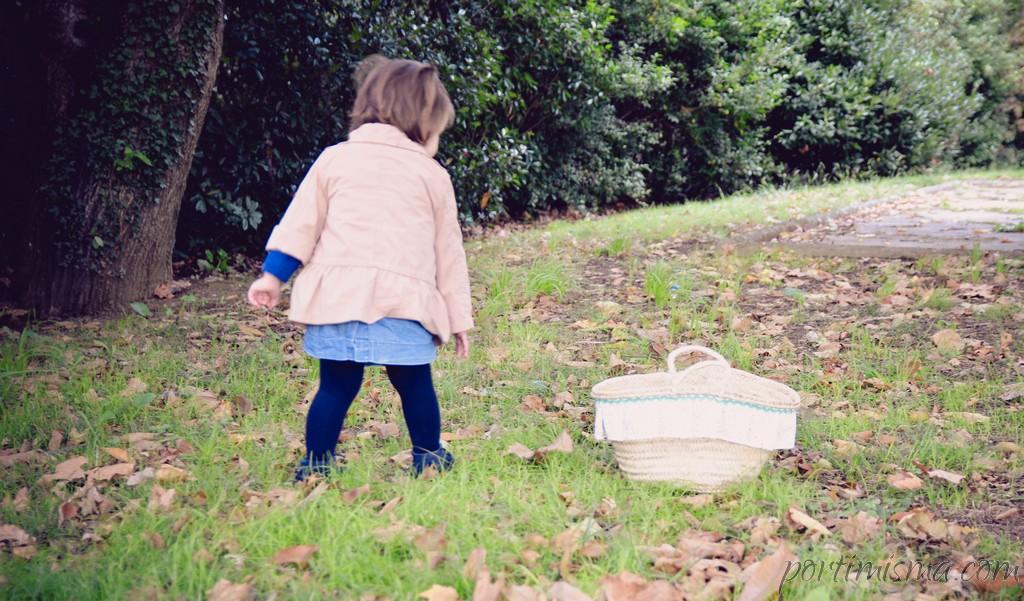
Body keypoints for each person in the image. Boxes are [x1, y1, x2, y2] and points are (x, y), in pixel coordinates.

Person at [246, 55, 473, 481]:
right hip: (403, 302)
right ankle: (428, 457)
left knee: (335, 386)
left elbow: (301, 223)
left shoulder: (335, 158)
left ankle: (315, 465)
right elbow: (449, 255)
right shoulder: (432, 175)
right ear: (421, 122)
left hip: (339, 300)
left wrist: (273, 275)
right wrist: (458, 319)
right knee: (414, 384)